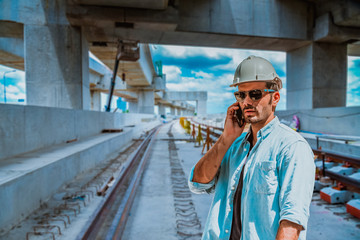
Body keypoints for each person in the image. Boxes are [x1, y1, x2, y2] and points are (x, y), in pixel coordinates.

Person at [188, 56, 315, 240]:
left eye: (255, 94)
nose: (247, 101)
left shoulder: (292, 147)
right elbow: (198, 183)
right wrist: (227, 137)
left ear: (275, 98)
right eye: (241, 95)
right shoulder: (234, 146)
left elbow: (291, 223)